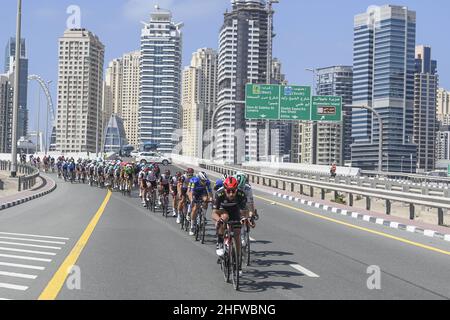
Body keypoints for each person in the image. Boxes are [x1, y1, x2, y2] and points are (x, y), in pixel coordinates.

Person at [212, 177, 247, 262]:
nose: (231, 194)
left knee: (237, 234)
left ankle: (238, 259)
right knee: (225, 217)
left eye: (233, 191)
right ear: (224, 190)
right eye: (228, 191)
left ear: (236, 189)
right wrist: (219, 220)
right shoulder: (219, 194)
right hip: (222, 210)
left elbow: (244, 211)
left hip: (235, 211)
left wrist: (244, 218)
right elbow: (214, 213)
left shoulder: (241, 194)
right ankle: (220, 243)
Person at [187, 172, 213, 236]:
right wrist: (191, 199)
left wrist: (211, 198)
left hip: (202, 192)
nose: (204, 182)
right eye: (202, 181)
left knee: (206, 200)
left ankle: (203, 216)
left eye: (204, 180)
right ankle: (192, 227)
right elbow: (190, 191)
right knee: (195, 207)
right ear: (199, 179)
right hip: (194, 192)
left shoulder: (207, 182)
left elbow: (210, 191)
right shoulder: (194, 181)